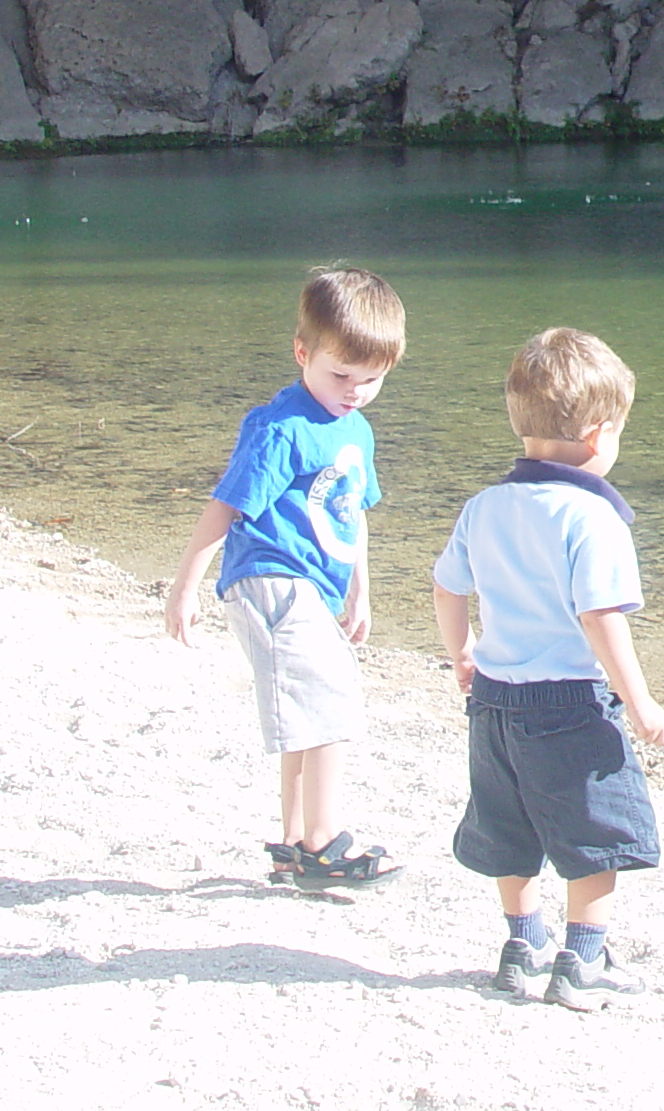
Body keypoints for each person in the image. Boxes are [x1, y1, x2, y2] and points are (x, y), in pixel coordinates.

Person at [434, 326, 664, 1009]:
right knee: (595, 832)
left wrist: (463, 650)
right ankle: (583, 961)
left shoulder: (484, 507)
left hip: (494, 702)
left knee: (507, 826)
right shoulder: (593, 518)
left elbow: (448, 586)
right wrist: (640, 699)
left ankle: (523, 945)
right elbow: (601, 619)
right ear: (600, 435)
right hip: (568, 702)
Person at [166, 264, 406, 890]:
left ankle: (294, 843)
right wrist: (186, 584)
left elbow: (352, 515)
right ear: (303, 353)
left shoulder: (355, 429)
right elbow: (227, 503)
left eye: (372, 379)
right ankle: (325, 843)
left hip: (313, 588)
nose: (354, 390)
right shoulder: (281, 427)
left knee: (306, 712)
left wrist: (360, 590)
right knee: (330, 702)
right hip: (270, 582)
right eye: (340, 375)